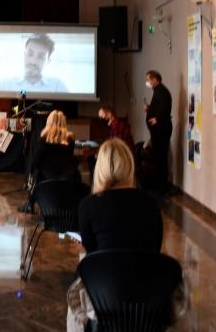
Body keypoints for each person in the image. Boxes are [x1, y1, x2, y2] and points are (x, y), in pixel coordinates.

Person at [67, 138, 164, 332]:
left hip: (104, 297)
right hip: (146, 298)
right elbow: (155, 248)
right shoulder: (151, 202)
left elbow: (93, 252)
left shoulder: (87, 205)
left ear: (100, 168)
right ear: (130, 166)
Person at [0, 34, 69, 93]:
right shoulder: (4, 84)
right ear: (24, 55)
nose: (33, 61)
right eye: (30, 54)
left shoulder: (58, 86)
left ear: (48, 61)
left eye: (41, 57)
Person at [28, 110, 79, 183]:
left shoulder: (44, 139)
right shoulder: (70, 139)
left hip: (46, 183)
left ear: (49, 122)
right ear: (64, 122)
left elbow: (35, 162)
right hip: (67, 180)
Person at [144, 70, 172, 193]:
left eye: (148, 80)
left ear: (155, 79)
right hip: (158, 130)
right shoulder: (158, 91)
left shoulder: (161, 91)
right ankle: (160, 185)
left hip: (161, 130)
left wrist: (157, 119)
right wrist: (150, 109)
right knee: (158, 157)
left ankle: (162, 187)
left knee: (160, 158)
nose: (147, 82)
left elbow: (165, 107)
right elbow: (159, 107)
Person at [92, 106, 135, 178]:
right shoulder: (115, 125)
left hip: (122, 159)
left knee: (94, 162)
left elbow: (116, 148)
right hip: (122, 156)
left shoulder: (116, 128)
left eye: (101, 116)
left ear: (108, 115)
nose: (100, 119)